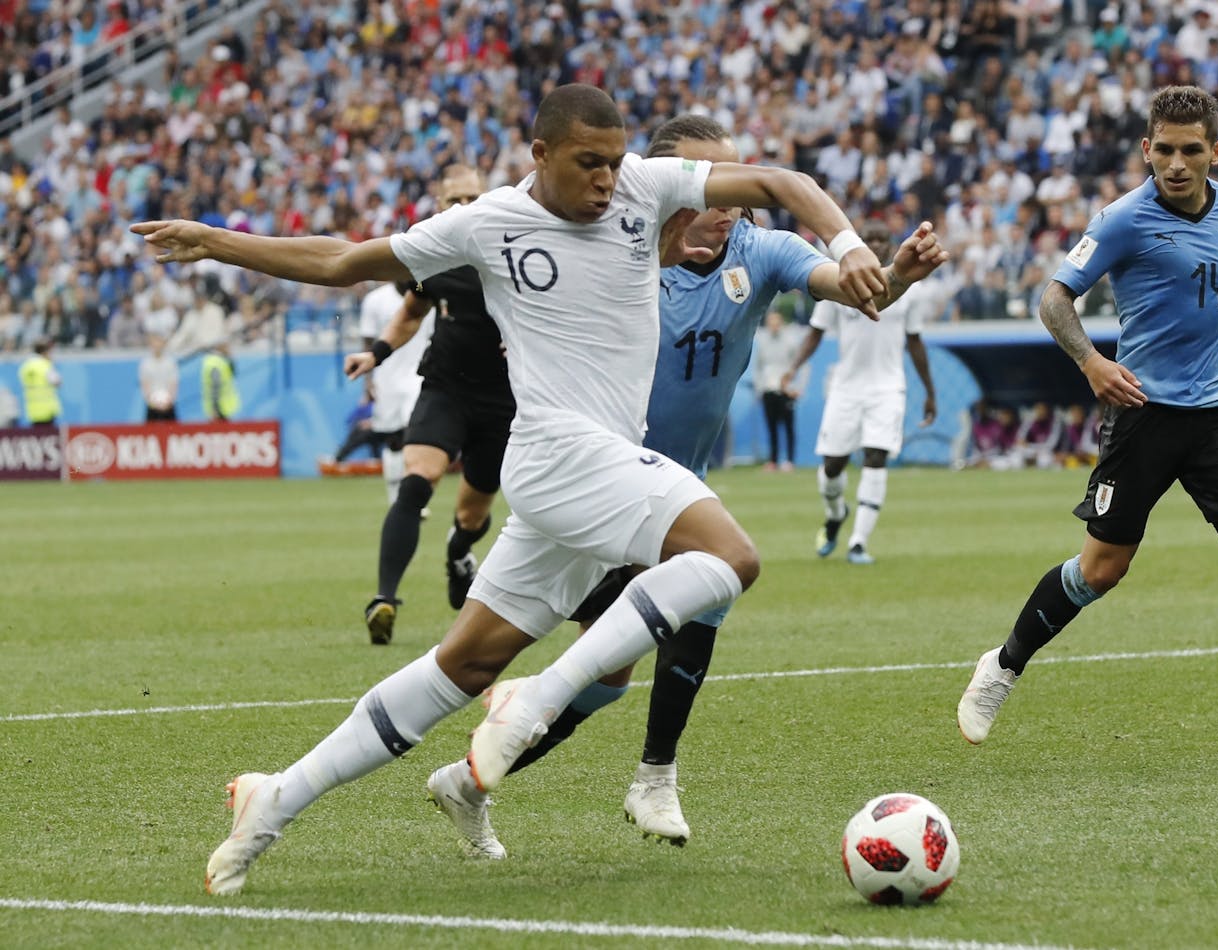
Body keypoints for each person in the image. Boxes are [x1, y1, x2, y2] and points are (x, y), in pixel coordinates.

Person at [134, 83, 899, 896]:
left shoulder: (647, 185)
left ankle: (274, 798)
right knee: (730, 559)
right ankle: (539, 696)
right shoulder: (487, 223)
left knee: (461, 665)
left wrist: (848, 242)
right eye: (587, 163)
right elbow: (343, 260)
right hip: (553, 453)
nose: (606, 180)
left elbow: (782, 183)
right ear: (540, 155)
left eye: (613, 162)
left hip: (590, 470)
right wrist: (220, 240)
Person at [463, 115, 946, 850]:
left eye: (730, 182)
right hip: (591, 482)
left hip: (673, 491)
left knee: (694, 609)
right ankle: (469, 777)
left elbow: (846, 287)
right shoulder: (614, 249)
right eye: (704, 183)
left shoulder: (762, 251)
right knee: (508, 663)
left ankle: (649, 775)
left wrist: (900, 271)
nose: (723, 201)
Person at [954, 86, 1218, 766]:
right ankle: (1003, 665)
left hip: (1217, 411)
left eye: (1192, 150)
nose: (1177, 163)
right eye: (1164, 150)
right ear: (1146, 149)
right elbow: (1054, 297)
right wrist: (1091, 362)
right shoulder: (1123, 219)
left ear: (1216, 151)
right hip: (1142, 412)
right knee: (1102, 570)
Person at [343, 164, 511, 644]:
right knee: (417, 480)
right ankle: (384, 600)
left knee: (472, 515)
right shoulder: (431, 258)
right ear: (439, 207)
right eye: (453, 200)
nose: (463, 208)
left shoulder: (514, 249)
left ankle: (459, 554)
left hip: (503, 401)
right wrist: (374, 354)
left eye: (471, 198)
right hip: (445, 388)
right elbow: (411, 314)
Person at [780, 220, 938, 565]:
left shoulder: (909, 289)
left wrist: (929, 391)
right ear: (861, 244)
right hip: (846, 387)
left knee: (876, 457)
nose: (879, 244)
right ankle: (836, 514)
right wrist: (793, 368)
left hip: (888, 387)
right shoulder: (841, 280)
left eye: (884, 237)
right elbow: (815, 333)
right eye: (872, 238)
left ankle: (858, 543)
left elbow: (915, 343)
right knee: (833, 466)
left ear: (891, 243)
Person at [354, 279, 432, 506]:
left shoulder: (427, 294)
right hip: (386, 378)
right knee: (394, 440)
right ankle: (396, 501)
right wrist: (367, 381)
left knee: (415, 434)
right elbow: (367, 342)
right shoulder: (375, 300)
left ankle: (414, 498)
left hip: (420, 375)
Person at [752, 309, 805, 471]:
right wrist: (760, 388)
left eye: (776, 322)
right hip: (769, 389)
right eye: (771, 322)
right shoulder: (763, 343)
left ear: (781, 323)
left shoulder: (790, 342)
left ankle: (789, 460)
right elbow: (758, 367)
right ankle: (773, 460)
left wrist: (797, 388)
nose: (774, 325)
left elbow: (801, 366)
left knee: (788, 427)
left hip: (786, 390)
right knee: (772, 427)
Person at [18, 337, 61, 426]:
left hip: (32, 409)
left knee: (38, 435)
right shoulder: (45, 365)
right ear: (45, 352)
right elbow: (57, 382)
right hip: (47, 409)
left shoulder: (26, 365)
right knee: (49, 436)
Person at [138, 333, 179, 422]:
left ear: (163, 344)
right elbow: (145, 385)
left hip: (168, 404)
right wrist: (152, 402)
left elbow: (173, 383)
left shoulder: (170, 362)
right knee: (150, 433)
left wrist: (168, 401)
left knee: (174, 431)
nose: (157, 345)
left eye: (159, 342)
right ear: (151, 344)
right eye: (154, 342)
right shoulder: (146, 364)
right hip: (152, 405)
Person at [200, 340, 240, 421]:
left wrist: (230, 357)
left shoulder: (221, 360)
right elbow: (215, 386)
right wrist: (215, 408)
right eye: (226, 345)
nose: (228, 348)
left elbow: (233, 373)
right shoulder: (215, 363)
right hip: (219, 408)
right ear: (219, 346)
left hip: (223, 407)